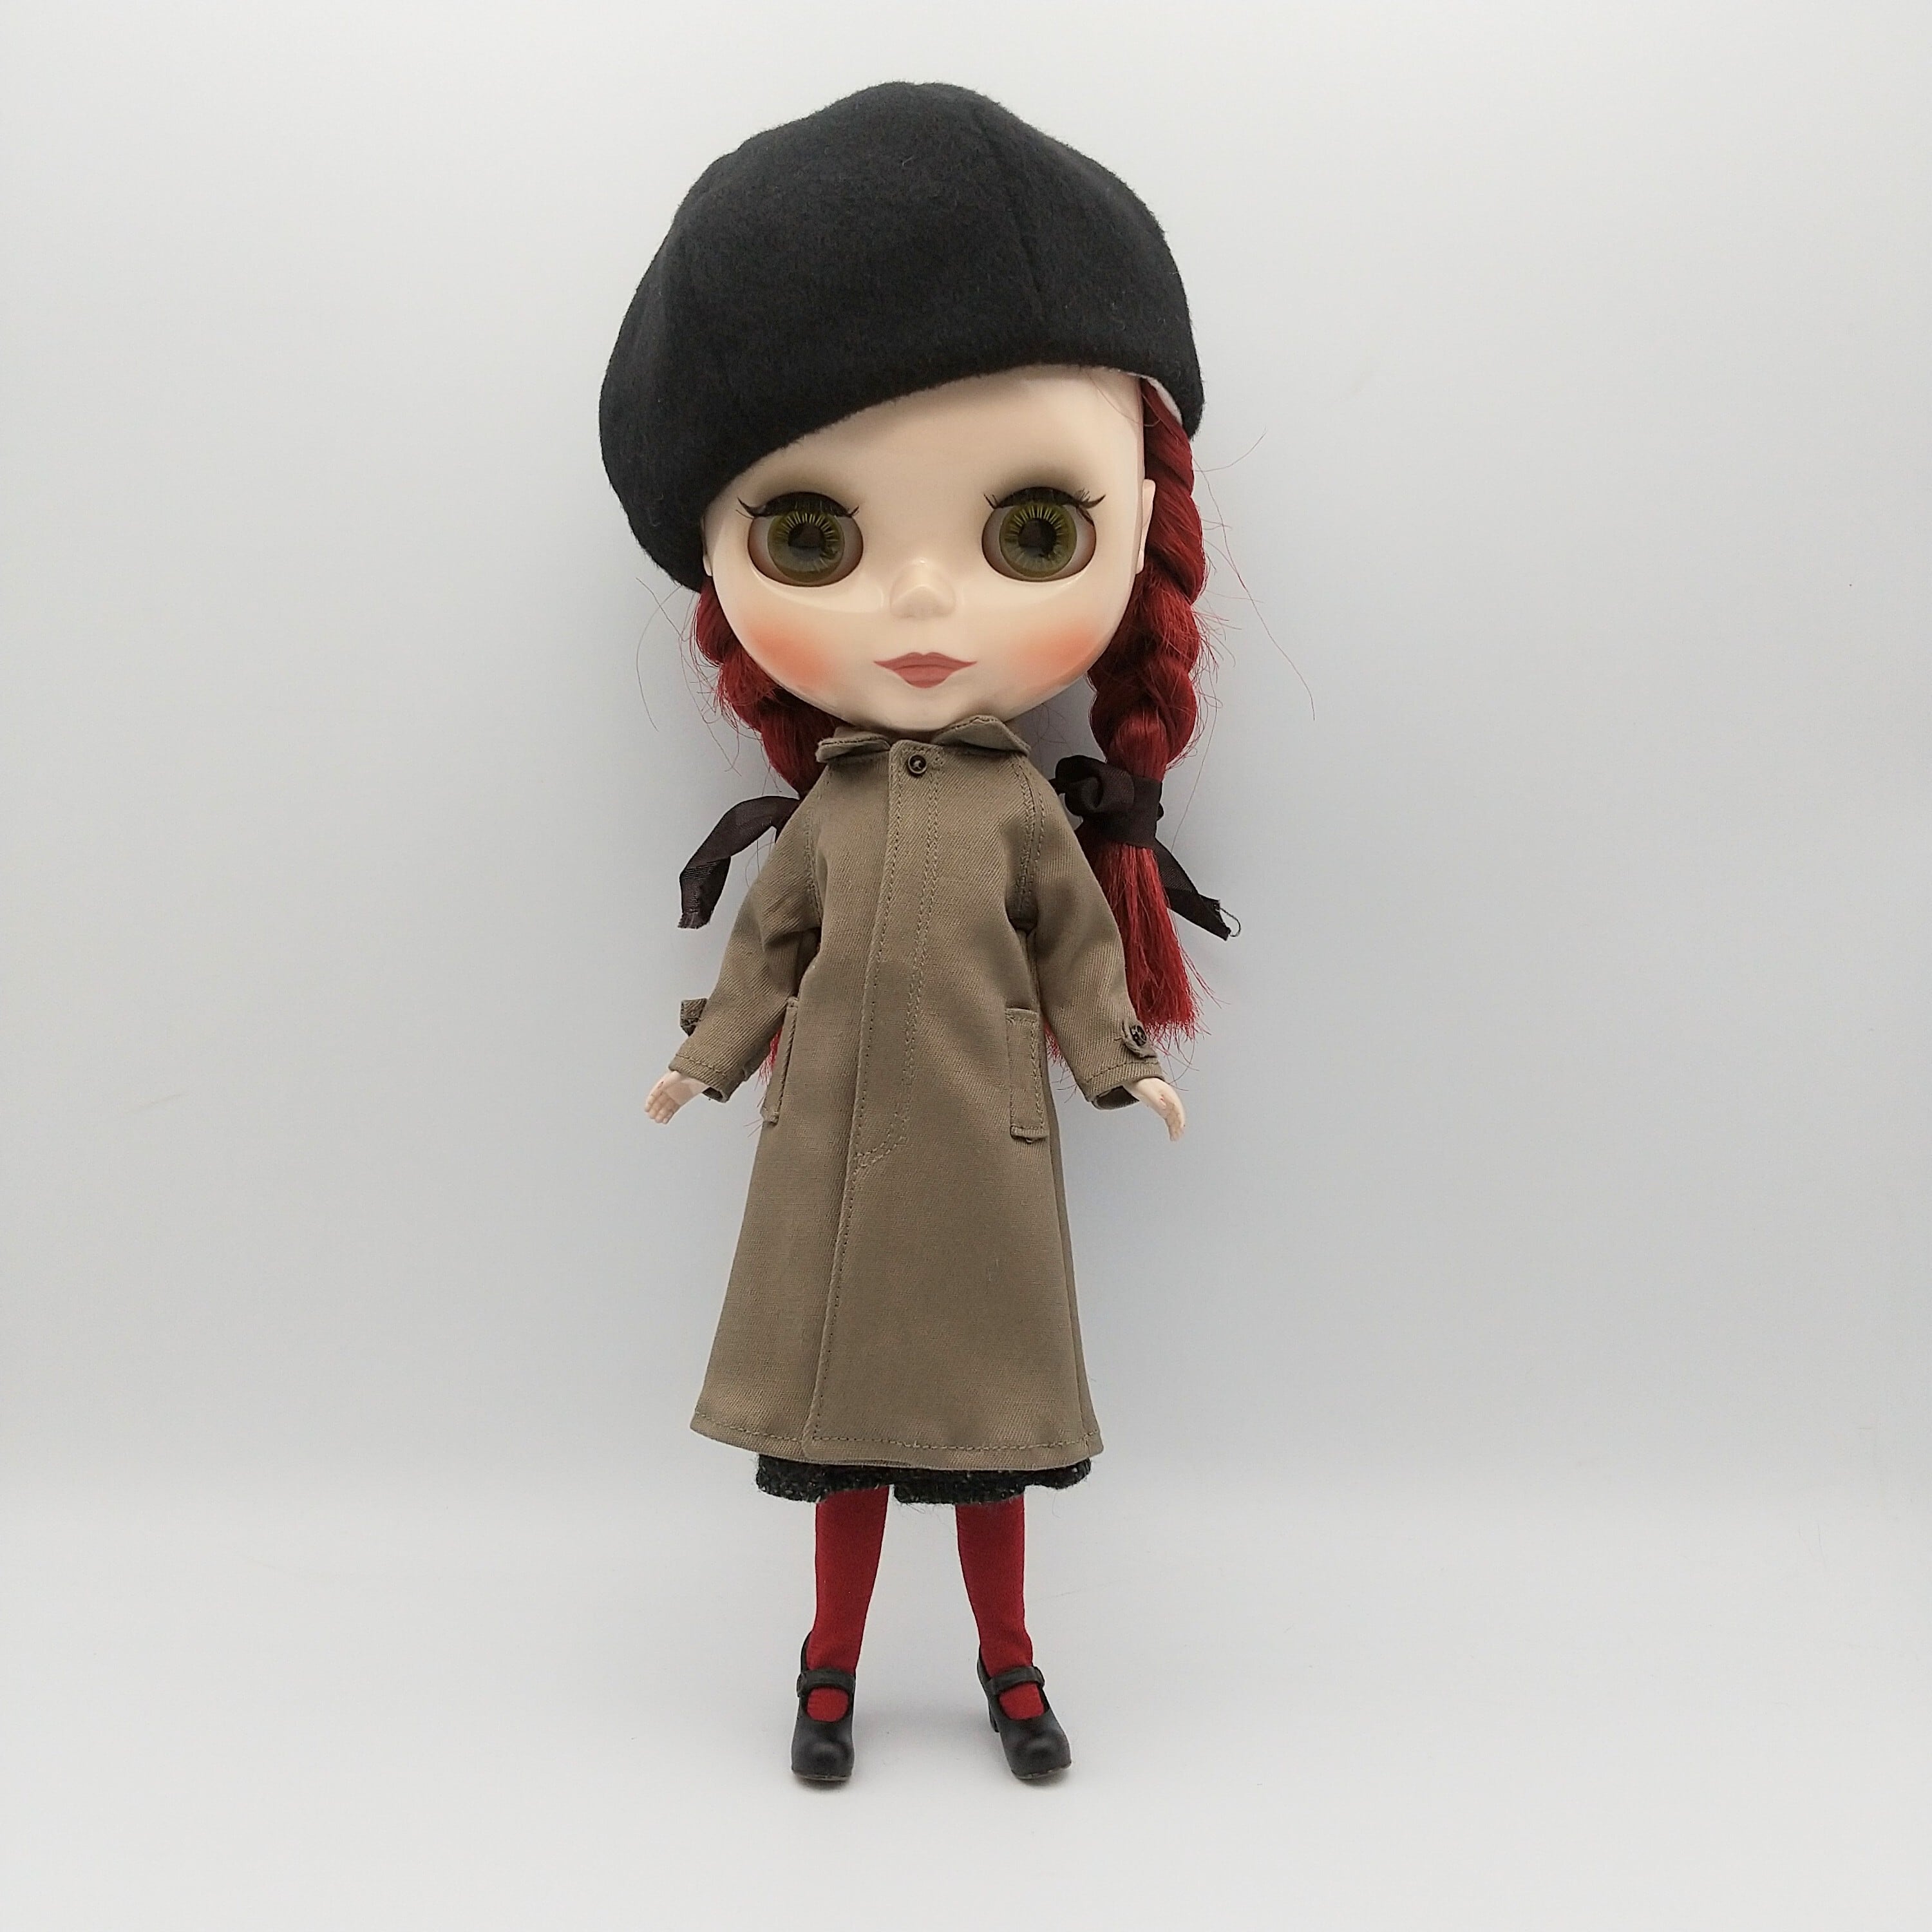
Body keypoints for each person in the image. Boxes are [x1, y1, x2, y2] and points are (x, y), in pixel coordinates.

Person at [600, 80, 1227, 1783]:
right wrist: (703, 1064)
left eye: (1032, 530)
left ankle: (1012, 1665)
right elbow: (764, 957)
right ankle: (829, 1670)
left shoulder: (1022, 812)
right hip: (834, 1170)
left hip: (983, 1165)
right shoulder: (831, 818)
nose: (929, 603)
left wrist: (1119, 1067)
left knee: (991, 1445)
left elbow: (1079, 957)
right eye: (817, 537)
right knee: (849, 1449)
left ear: (1142, 525)